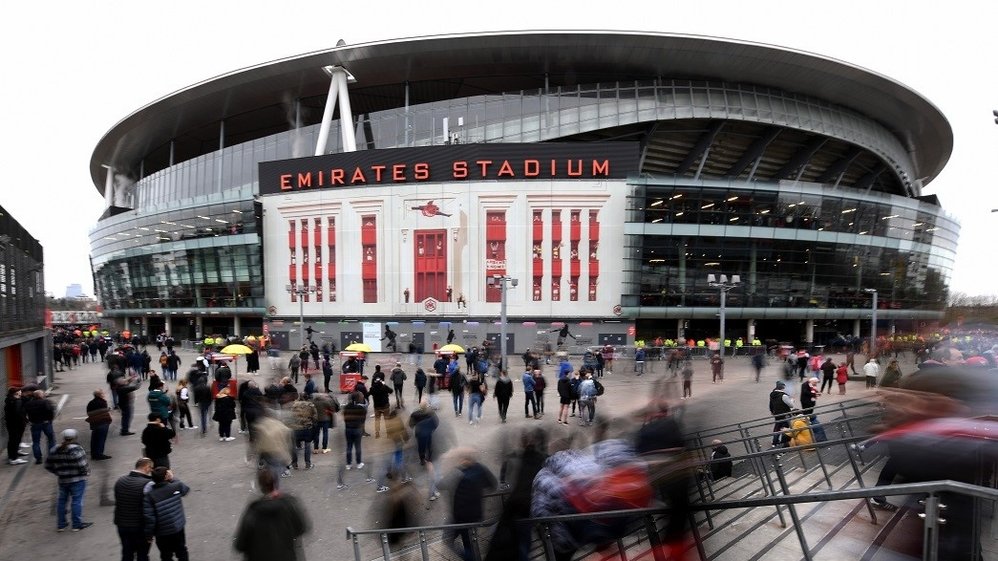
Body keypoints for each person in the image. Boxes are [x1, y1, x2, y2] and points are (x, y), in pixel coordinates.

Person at [234, 468, 311, 561]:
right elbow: (301, 528)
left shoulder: (253, 512)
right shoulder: (289, 505)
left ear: (261, 486)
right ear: (275, 483)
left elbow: (239, 545)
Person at [440, 447, 497, 561]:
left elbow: (440, 484)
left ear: (465, 460)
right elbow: (493, 485)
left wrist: (442, 467)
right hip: (475, 515)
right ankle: (470, 557)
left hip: (459, 517)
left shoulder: (457, 472)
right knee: (468, 542)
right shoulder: (481, 468)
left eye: (461, 458)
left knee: (448, 539)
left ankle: (470, 558)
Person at [45, 429, 92, 532]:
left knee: (62, 501)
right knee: (76, 501)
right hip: (78, 480)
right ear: (75, 437)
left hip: (63, 480)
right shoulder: (77, 449)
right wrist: (86, 473)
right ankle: (76, 524)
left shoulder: (55, 449)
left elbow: (48, 465)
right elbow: (83, 465)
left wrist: (58, 472)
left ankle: (61, 525)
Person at [143, 467, 190, 561]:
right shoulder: (176, 485)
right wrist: (172, 478)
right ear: (166, 476)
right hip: (178, 527)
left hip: (162, 532)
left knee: (166, 555)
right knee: (181, 550)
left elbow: (149, 518)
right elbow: (185, 490)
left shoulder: (150, 496)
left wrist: (149, 535)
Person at [114, 457, 154, 561]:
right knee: (142, 554)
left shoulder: (120, 480)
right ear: (146, 467)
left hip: (122, 525)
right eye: (151, 468)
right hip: (139, 527)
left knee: (127, 553)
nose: (151, 471)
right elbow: (150, 508)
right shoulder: (148, 484)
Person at [24, 389, 56, 465]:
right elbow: (50, 411)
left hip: (35, 424)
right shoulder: (45, 402)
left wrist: (28, 421)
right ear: (40, 395)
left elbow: (23, 413)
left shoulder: (28, 404)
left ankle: (38, 458)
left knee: (36, 442)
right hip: (46, 423)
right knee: (51, 439)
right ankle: (51, 456)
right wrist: (50, 420)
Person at [288, 394, 317, 470]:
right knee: (307, 445)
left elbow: (290, 417)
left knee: (293, 446)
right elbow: (315, 417)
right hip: (307, 428)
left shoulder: (293, 405)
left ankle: (294, 463)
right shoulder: (311, 405)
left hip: (295, 428)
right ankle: (308, 464)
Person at [85, 389, 113, 460]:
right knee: (101, 439)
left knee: (94, 439)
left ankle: (94, 454)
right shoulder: (102, 402)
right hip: (102, 423)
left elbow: (88, 413)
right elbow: (104, 412)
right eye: (103, 393)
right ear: (100, 395)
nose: (104, 395)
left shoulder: (90, 403)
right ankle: (99, 454)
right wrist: (107, 410)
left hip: (94, 423)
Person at [342, 391, 367, 470]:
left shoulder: (346, 407)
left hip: (348, 429)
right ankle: (359, 463)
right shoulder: (360, 408)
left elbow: (345, 418)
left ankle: (348, 464)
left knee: (349, 446)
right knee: (358, 446)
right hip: (357, 428)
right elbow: (363, 419)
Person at [4, 387, 28, 465]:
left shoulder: (9, 400)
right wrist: (24, 421)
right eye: (20, 391)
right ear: (16, 393)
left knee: (13, 440)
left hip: (11, 424)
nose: (21, 392)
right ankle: (14, 458)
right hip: (17, 424)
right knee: (15, 440)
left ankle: (14, 454)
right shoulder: (17, 401)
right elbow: (18, 414)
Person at [768, 381, 794, 448]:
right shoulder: (784, 396)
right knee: (785, 428)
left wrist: (772, 411)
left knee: (777, 428)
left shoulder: (772, 394)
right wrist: (792, 401)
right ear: (783, 387)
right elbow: (791, 405)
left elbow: (771, 404)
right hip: (785, 414)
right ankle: (784, 443)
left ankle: (774, 442)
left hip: (777, 414)